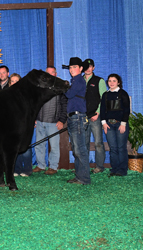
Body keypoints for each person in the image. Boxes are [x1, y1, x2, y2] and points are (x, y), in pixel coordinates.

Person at [33, 66, 68, 175]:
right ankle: (41, 165)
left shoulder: (60, 88)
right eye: (47, 73)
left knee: (54, 146)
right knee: (39, 145)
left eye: (51, 73)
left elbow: (64, 105)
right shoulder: (39, 87)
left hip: (53, 122)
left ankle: (53, 167)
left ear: (55, 74)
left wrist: (62, 120)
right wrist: (34, 118)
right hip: (39, 121)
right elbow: (35, 103)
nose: (48, 75)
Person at [63, 57, 90, 185]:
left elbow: (68, 94)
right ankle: (79, 176)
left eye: (74, 67)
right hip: (74, 117)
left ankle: (84, 178)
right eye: (70, 67)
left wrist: (62, 87)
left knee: (80, 149)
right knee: (76, 149)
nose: (72, 69)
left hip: (78, 117)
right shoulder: (75, 80)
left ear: (80, 69)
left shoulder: (79, 80)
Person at [100, 74, 130, 176]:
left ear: (118, 82)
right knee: (113, 148)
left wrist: (123, 123)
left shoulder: (123, 94)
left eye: (114, 81)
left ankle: (122, 169)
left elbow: (126, 110)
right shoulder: (105, 95)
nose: (111, 83)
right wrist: (104, 123)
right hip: (109, 125)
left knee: (121, 147)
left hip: (120, 124)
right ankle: (115, 168)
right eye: (109, 81)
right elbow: (102, 110)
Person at [83, 59, 107, 173]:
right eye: (86, 66)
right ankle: (84, 167)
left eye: (90, 66)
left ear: (93, 68)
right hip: (82, 116)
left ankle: (99, 166)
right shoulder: (79, 80)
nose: (88, 68)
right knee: (84, 143)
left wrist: (97, 112)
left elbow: (104, 98)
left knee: (98, 143)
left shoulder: (99, 81)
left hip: (95, 116)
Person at [8, 73, 33, 177]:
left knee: (25, 147)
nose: (14, 83)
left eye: (16, 81)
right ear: (10, 83)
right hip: (12, 124)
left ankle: (27, 169)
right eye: (12, 81)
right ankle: (16, 169)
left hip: (24, 123)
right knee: (14, 147)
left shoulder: (26, 94)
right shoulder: (7, 95)